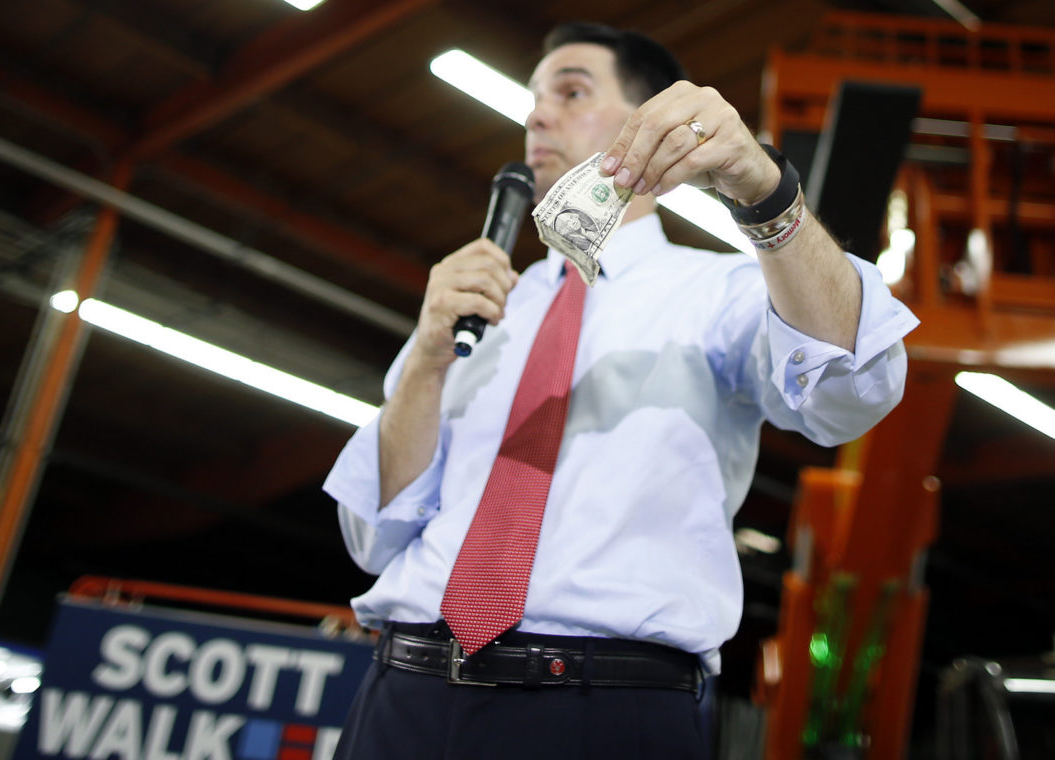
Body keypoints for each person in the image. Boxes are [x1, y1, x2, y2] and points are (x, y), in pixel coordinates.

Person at [323, 20, 918, 759]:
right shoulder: (474, 308)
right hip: (402, 695)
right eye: (534, 98)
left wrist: (765, 194)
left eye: (571, 92)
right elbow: (372, 537)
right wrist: (423, 363)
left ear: (647, 118)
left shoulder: (723, 291)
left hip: (605, 708)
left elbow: (854, 391)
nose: (537, 115)